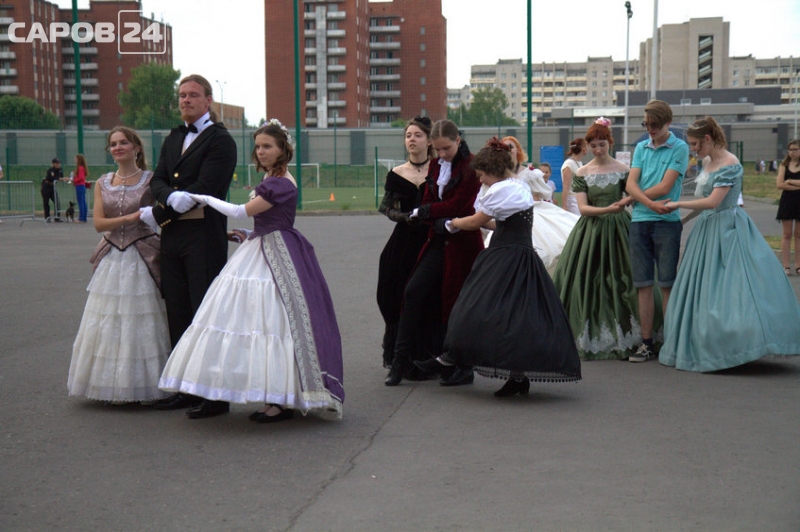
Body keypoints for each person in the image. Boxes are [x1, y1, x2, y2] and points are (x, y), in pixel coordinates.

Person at [159, 120, 344, 422]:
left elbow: (239, 211)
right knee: (257, 320)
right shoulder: (273, 178)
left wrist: (202, 197)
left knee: (273, 322)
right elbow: (263, 220)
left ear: (283, 149)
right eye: (258, 146)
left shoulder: (279, 183)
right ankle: (272, 397)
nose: (261, 151)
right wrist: (247, 234)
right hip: (263, 243)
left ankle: (279, 401)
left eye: (267, 146)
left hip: (277, 251)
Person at [414, 138, 581, 396]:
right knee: (514, 317)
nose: (481, 180)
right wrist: (470, 222)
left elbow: (477, 220)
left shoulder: (502, 190)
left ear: (492, 170)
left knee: (475, 308)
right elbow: (500, 223)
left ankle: (452, 360)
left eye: (482, 175)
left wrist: (452, 223)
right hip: (518, 255)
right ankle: (512, 376)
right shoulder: (517, 186)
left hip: (507, 257)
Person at [659, 117, 800, 372]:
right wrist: (683, 220)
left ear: (708, 139)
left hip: (729, 230)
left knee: (733, 289)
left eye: (695, 144)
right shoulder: (707, 162)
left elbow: (714, 202)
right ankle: (704, 342)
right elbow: (704, 202)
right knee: (703, 289)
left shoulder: (731, 163)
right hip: (706, 230)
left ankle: (738, 344)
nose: (693, 149)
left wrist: (679, 204)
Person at [144, 74, 237, 418]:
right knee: (178, 312)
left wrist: (162, 210)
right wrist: (169, 197)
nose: (186, 100)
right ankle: (184, 388)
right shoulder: (173, 137)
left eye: (193, 95)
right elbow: (157, 178)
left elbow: (208, 185)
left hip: (203, 237)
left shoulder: (221, 140)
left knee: (205, 313)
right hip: (173, 236)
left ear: (208, 100)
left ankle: (215, 395)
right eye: (182, 95)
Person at [68, 127, 170, 403]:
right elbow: (99, 224)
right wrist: (131, 217)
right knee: (108, 320)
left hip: (144, 254)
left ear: (136, 147)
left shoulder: (152, 180)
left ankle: (147, 383)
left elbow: (166, 214)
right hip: (112, 257)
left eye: (123, 142)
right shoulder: (103, 182)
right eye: (113, 144)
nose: (118, 147)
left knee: (141, 319)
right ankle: (108, 384)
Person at [384, 119, 484, 387]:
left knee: (457, 304)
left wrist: (428, 212)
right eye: (437, 149)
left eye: (446, 149)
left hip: (463, 245)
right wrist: (430, 213)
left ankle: (462, 366)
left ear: (458, 141)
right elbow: (430, 197)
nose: (441, 154)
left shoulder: (471, 166)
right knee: (412, 292)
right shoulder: (437, 164)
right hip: (438, 240)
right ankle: (399, 361)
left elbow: (460, 204)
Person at [553, 117, 652, 360]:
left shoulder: (624, 170)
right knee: (586, 277)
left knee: (624, 278)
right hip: (591, 230)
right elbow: (583, 208)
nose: (598, 149)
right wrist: (609, 209)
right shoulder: (582, 172)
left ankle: (637, 333)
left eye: (602, 144)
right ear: (587, 146)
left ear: (610, 143)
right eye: (593, 145)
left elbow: (636, 197)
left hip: (620, 229)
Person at [624, 99, 688, 362]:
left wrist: (635, 198)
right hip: (640, 220)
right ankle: (647, 342)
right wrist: (647, 203)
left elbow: (665, 186)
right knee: (643, 284)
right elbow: (630, 184)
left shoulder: (680, 147)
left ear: (667, 123)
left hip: (667, 222)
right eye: (646, 124)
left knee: (667, 284)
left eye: (655, 125)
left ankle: (671, 343)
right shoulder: (641, 147)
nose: (650, 129)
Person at [376, 116, 439, 371]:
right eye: (408, 135)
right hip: (403, 242)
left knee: (429, 296)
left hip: (432, 239)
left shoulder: (439, 170)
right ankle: (400, 354)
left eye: (417, 135)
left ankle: (428, 354)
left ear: (429, 140)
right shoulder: (397, 173)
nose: (411, 139)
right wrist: (403, 216)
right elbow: (386, 207)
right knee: (394, 292)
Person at [485, 136, 578, 274]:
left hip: (532, 211)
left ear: (518, 150)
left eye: (511, 147)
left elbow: (542, 194)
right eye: (504, 148)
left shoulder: (530, 173)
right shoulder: (495, 176)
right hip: (508, 218)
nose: (508, 150)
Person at [776, 139, 800, 275]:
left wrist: (790, 181)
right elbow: (780, 184)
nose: (792, 152)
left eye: (795, 149)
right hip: (788, 201)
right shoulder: (784, 164)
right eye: (790, 150)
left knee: (798, 235)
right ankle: (786, 266)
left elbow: (785, 183)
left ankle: (798, 265)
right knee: (787, 234)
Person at [561, 138, 586, 215]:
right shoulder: (569, 164)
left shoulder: (579, 163)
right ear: (583, 148)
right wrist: (564, 205)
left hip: (579, 199)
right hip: (572, 201)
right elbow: (566, 186)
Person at [72, 154, 89, 223]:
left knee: (81, 202)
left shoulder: (80, 168)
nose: (75, 160)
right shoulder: (82, 168)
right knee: (83, 202)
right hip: (82, 186)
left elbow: (81, 178)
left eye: (76, 159)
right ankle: (84, 217)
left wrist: (74, 180)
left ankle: (81, 218)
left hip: (79, 186)